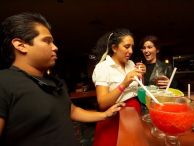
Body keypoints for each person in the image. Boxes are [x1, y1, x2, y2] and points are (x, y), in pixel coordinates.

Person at [0, 12, 125, 146]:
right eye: (47, 41)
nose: (55, 47)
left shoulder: (56, 82)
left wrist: (105, 114)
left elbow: (72, 111)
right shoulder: (4, 82)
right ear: (20, 45)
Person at [92, 28, 146, 146]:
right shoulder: (103, 67)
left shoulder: (131, 64)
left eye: (132, 46)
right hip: (114, 117)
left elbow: (138, 89)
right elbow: (102, 103)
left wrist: (142, 76)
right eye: (126, 47)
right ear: (114, 48)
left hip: (133, 113)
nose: (131, 51)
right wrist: (124, 83)